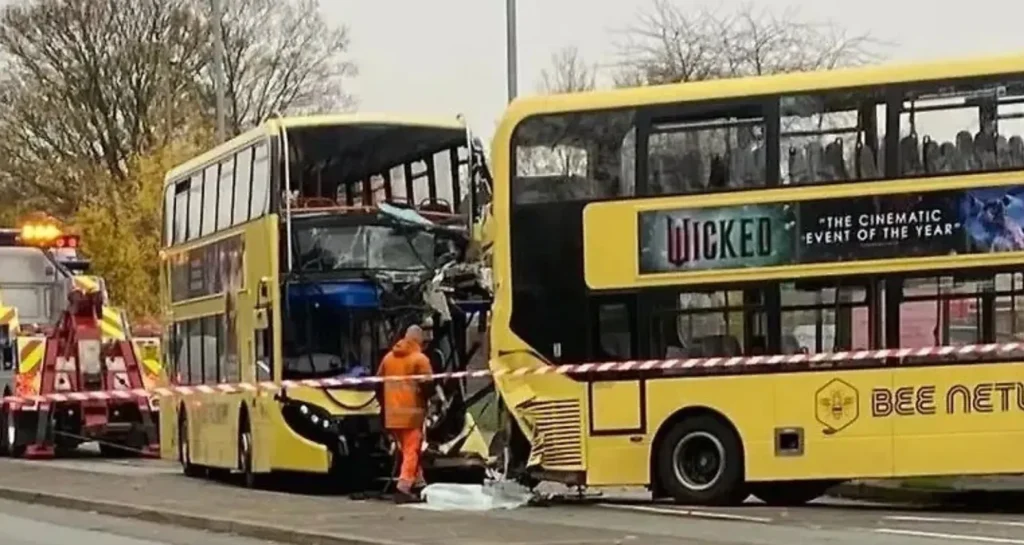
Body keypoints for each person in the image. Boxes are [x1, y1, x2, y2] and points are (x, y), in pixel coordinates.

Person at [377, 324, 433, 502]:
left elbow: (377, 384)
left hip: (392, 415)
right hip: (411, 414)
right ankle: (404, 487)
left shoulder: (388, 358)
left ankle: (419, 483)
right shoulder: (420, 359)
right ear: (419, 341)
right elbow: (428, 387)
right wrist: (428, 403)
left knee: (407, 451)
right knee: (412, 451)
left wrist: (384, 405)